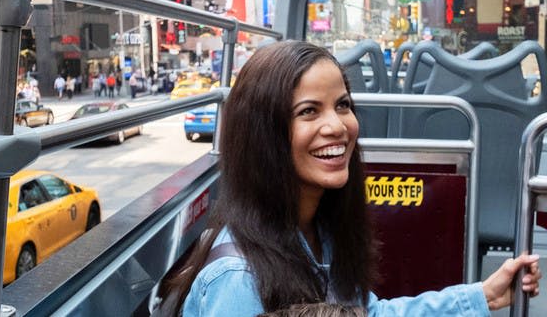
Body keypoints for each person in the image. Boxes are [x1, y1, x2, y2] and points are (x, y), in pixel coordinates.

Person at [164, 41, 541, 316]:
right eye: (309, 111)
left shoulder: (320, 231)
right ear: (264, 135)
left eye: (342, 105)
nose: (338, 127)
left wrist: (482, 297)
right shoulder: (237, 282)